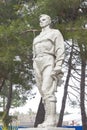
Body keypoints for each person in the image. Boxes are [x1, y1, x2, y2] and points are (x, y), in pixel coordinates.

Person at [33, 14, 65, 127]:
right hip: (37, 62)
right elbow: (34, 53)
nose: (41, 21)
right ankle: (47, 118)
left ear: (49, 21)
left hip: (49, 60)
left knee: (47, 89)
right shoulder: (36, 38)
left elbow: (60, 49)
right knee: (42, 91)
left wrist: (58, 65)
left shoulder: (55, 33)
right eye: (40, 20)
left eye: (44, 19)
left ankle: (51, 119)